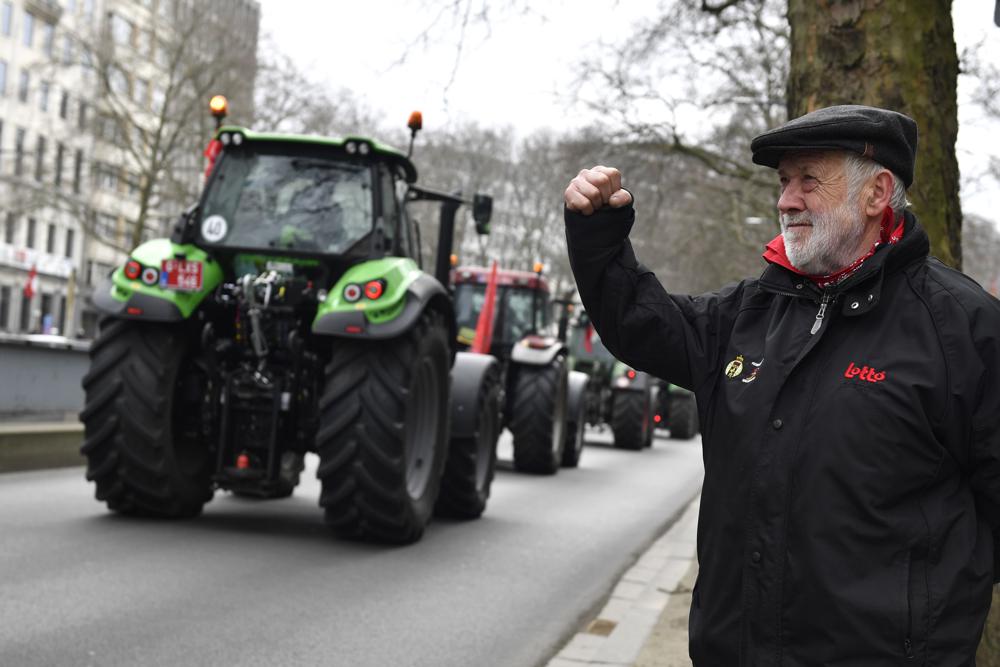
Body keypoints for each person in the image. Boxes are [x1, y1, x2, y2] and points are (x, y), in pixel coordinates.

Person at [563, 104, 1000, 666]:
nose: (785, 200)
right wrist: (599, 236)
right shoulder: (747, 313)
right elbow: (639, 324)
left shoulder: (963, 329)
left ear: (877, 193)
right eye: (783, 181)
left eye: (808, 181)